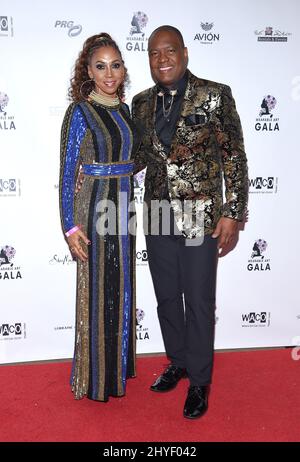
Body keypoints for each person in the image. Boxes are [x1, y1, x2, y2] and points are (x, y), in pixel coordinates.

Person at [132, 25, 248, 419]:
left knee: (198, 300)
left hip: (200, 215)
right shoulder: (141, 102)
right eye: (153, 53)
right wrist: (100, 171)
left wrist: (233, 211)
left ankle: (199, 381)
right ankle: (178, 361)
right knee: (167, 296)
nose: (161, 59)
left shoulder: (214, 94)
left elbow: (233, 157)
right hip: (158, 213)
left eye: (169, 51)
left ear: (184, 53)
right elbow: (142, 159)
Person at [59, 33, 139, 402]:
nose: (109, 73)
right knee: (97, 288)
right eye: (100, 66)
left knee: (120, 287)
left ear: (123, 69)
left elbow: (134, 162)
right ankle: (94, 379)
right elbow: (66, 171)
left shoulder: (124, 111)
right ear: (88, 72)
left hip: (125, 207)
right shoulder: (80, 111)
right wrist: (70, 226)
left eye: (116, 65)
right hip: (94, 209)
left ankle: (117, 368)